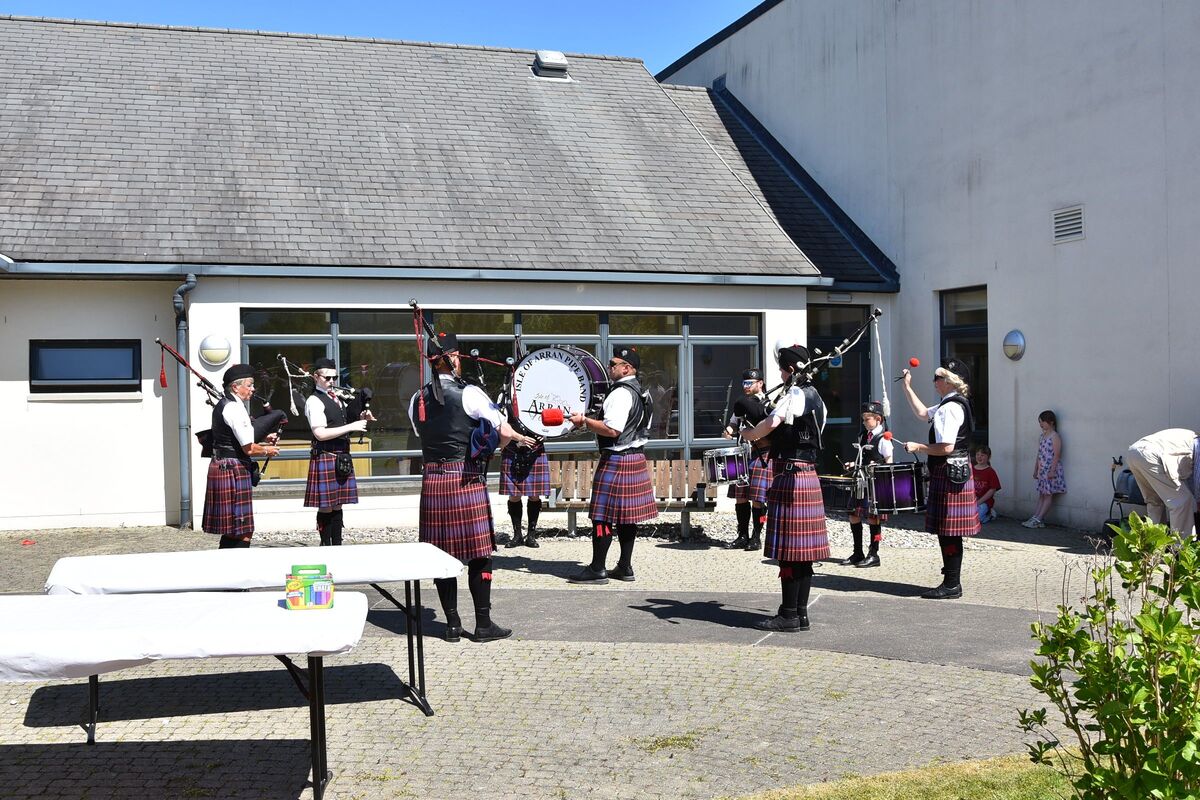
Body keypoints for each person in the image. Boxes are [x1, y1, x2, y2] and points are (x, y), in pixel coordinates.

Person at [408, 332, 534, 643]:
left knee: (441, 555)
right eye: (458, 357)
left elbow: (422, 435)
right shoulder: (471, 393)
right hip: (465, 478)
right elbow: (503, 430)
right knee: (480, 554)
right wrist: (494, 446)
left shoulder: (416, 399)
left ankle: (452, 626)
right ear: (451, 358)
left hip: (433, 482)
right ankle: (483, 624)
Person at [739, 342, 829, 631]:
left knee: (790, 551)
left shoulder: (796, 393)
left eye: (781, 368)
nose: (779, 373)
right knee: (803, 554)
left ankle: (789, 614)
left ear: (791, 369)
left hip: (791, 476)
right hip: (807, 474)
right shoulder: (817, 397)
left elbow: (773, 422)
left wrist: (750, 432)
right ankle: (799, 613)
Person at [567, 346, 659, 584]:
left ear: (627, 368)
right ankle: (625, 567)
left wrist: (584, 421)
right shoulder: (642, 392)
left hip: (617, 459)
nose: (610, 367)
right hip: (635, 457)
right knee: (627, 518)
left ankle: (598, 568)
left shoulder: (620, 393)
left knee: (602, 517)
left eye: (613, 364)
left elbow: (613, 429)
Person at [899, 359, 979, 599]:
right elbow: (923, 414)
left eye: (937, 378)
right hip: (954, 471)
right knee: (948, 530)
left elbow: (945, 447)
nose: (934, 382)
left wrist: (918, 447)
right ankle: (951, 580)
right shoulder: (951, 403)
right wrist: (907, 387)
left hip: (949, 470)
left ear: (948, 381)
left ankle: (952, 584)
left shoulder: (950, 408)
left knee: (949, 531)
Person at [202, 363, 281, 549]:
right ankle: (236, 571)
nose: (253, 389)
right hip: (232, 468)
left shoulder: (226, 405)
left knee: (233, 527)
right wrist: (267, 450)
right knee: (243, 529)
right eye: (250, 385)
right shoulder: (235, 409)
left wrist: (264, 436)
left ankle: (226, 570)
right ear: (236, 387)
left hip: (224, 465)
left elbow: (237, 436)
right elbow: (249, 449)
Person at [304, 358, 374, 546]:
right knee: (326, 506)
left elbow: (339, 423)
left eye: (334, 377)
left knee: (338, 503)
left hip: (341, 457)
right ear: (315, 377)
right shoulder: (314, 401)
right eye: (327, 378)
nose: (331, 381)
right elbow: (319, 434)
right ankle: (326, 545)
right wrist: (352, 426)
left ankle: (337, 545)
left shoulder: (336, 398)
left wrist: (360, 416)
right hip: (326, 456)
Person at [722, 368, 772, 551]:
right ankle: (742, 535)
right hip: (742, 454)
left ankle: (756, 537)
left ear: (760, 383)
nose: (746, 386)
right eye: (744, 383)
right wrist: (729, 430)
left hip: (762, 453)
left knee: (758, 498)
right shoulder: (741, 404)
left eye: (750, 383)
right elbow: (734, 423)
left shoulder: (769, 403)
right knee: (740, 497)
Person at [840, 400, 892, 568]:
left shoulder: (884, 438)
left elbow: (889, 463)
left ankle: (874, 554)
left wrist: (878, 466)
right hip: (861, 481)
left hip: (875, 483)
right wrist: (853, 464)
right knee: (853, 515)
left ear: (878, 419)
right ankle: (858, 552)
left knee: (873, 518)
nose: (864, 422)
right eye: (862, 419)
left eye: (867, 418)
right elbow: (861, 457)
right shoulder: (863, 435)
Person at [1125, 428, 1199, 538]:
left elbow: (1190, 476)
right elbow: (1197, 477)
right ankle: (1181, 550)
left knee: (1155, 502)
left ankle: (1155, 548)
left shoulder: (1189, 438)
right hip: (1151, 455)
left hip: (1134, 453)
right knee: (1182, 501)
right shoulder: (1197, 443)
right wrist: (1198, 500)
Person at [499, 433, 549, 549]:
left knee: (534, 495)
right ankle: (517, 536)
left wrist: (545, 434)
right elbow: (503, 426)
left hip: (535, 450)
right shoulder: (509, 413)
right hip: (512, 449)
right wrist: (517, 438)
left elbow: (551, 426)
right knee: (514, 495)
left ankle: (531, 536)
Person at [1023, 410, 1066, 528]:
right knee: (1042, 494)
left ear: (1051, 422)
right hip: (1042, 469)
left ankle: (1038, 518)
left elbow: (1056, 455)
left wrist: (1052, 470)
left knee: (1048, 495)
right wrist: (1036, 468)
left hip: (1050, 470)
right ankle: (1036, 516)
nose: (1041, 424)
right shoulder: (1042, 436)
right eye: (1040, 422)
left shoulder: (1055, 436)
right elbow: (1039, 453)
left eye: (1043, 421)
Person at [972, 445, 1002, 523]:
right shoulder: (971, 469)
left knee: (976, 519)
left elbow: (992, 489)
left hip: (984, 502)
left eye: (982, 455)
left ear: (988, 457)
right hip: (971, 500)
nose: (979, 457)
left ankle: (989, 515)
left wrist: (979, 502)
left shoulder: (990, 472)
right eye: (977, 454)